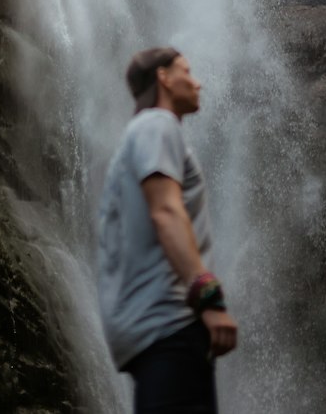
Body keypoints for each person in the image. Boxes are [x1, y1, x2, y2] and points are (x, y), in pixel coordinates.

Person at [97, 46, 238, 413]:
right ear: (163, 76)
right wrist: (207, 296)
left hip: (146, 328)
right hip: (171, 323)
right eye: (187, 71)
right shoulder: (157, 124)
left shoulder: (134, 142)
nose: (198, 82)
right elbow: (165, 212)